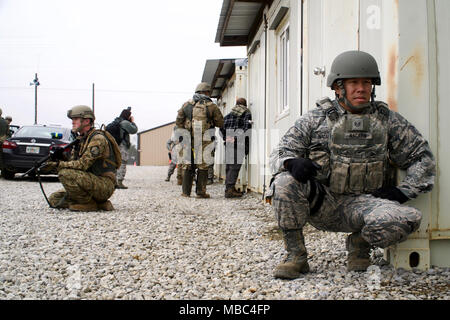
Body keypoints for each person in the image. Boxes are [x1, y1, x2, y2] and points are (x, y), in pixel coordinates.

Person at [266, 50, 436, 279]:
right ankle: (295, 255)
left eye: (366, 82)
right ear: (338, 87)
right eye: (353, 82)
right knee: (284, 182)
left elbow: (421, 157)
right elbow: (280, 152)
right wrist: (291, 161)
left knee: (406, 218)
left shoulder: (387, 120)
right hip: (323, 203)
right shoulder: (315, 119)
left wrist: (402, 191)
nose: (361, 88)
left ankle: (359, 243)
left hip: (365, 205)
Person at [47, 105, 121, 212]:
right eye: (72, 119)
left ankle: (87, 204)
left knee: (65, 173)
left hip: (104, 184)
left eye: (76, 119)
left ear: (86, 121)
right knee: (54, 199)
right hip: (90, 182)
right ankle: (99, 204)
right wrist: (60, 158)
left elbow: (82, 165)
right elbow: (73, 163)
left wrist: (58, 165)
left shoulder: (97, 139)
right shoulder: (81, 139)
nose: (73, 122)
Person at [176, 82, 224, 198]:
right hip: (204, 140)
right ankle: (201, 192)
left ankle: (186, 192)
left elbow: (178, 121)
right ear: (207, 92)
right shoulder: (211, 106)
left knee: (188, 164)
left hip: (188, 140)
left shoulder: (186, 105)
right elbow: (220, 123)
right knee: (203, 165)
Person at [220, 97, 252, 198]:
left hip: (228, 144)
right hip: (239, 144)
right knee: (234, 167)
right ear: (245, 105)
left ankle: (229, 188)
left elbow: (221, 128)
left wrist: (226, 138)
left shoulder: (228, 115)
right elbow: (246, 128)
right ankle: (230, 190)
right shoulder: (246, 113)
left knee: (229, 166)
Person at [112, 107, 138, 189]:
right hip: (122, 145)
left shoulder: (117, 121)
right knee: (122, 162)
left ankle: (114, 181)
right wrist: (132, 122)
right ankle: (119, 182)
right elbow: (134, 130)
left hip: (116, 144)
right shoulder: (124, 122)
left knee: (116, 163)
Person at [0, 108, 9, 174]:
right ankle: (2, 172)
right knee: (1, 157)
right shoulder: (5, 122)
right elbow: (8, 133)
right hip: (2, 141)